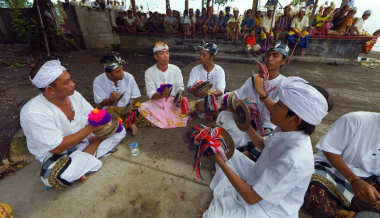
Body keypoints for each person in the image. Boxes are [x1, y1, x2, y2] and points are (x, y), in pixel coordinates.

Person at [201, 75, 330, 218]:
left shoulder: (294, 159)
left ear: (295, 119)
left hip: (268, 210)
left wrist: (218, 160)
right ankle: (231, 179)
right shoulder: (286, 130)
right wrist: (246, 125)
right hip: (259, 176)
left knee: (213, 215)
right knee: (225, 150)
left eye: (279, 106)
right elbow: (263, 144)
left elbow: (251, 198)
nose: (272, 107)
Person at [20, 59, 126, 189]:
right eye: (67, 82)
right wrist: (94, 132)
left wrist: (104, 120)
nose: (73, 84)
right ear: (50, 90)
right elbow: (57, 148)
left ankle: (84, 161)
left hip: (82, 139)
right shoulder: (33, 113)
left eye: (70, 79)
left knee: (119, 130)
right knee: (58, 176)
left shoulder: (74, 95)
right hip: (57, 154)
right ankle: (93, 149)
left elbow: (92, 114)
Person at [303, 111, 380, 218]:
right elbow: (330, 150)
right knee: (314, 194)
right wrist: (355, 180)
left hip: (370, 179)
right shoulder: (355, 120)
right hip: (331, 169)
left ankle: (351, 213)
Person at [217, 42, 288, 150]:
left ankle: (248, 149)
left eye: (275, 56)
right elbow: (236, 95)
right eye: (268, 55)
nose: (269, 59)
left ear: (284, 61)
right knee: (224, 116)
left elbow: (278, 112)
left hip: (269, 128)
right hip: (249, 122)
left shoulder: (285, 85)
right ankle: (246, 147)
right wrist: (230, 101)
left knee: (272, 144)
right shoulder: (254, 79)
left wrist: (261, 92)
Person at [139, 42, 190, 129]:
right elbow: (151, 94)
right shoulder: (149, 72)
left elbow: (180, 87)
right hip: (157, 102)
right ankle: (166, 118)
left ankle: (163, 118)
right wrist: (162, 95)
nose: (165, 56)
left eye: (167, 53)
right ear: (156, 57)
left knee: (186, 104)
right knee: (143, 107)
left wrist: (179, 96)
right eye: (161, 53)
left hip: (173, 101)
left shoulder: (176, 69)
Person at [93, 53, 141, 136]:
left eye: (122, 69)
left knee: (143, 109)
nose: (122, 73)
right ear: (109, 74)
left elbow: (135, 96)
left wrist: (130, 105)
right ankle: (128, 123)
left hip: (129, 108)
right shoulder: (98, 81)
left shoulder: (129, 77)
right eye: (118, 71)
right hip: (111, 110)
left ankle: (125, 122)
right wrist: (110, 100)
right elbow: (100, 103)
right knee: (104, 117)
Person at [187, 42, 225, 117]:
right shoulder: (195, 69)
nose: (201, 57)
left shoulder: (219, 70)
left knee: (228, 100)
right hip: (202, 101)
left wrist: (208, 94)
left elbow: (220, 91)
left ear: (211, 57)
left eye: (204, 55)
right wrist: (195, 90)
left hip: (216, 99)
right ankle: (214, 113)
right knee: (200, 105)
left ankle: (212, 112)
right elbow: (189, 87)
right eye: (200, 54)